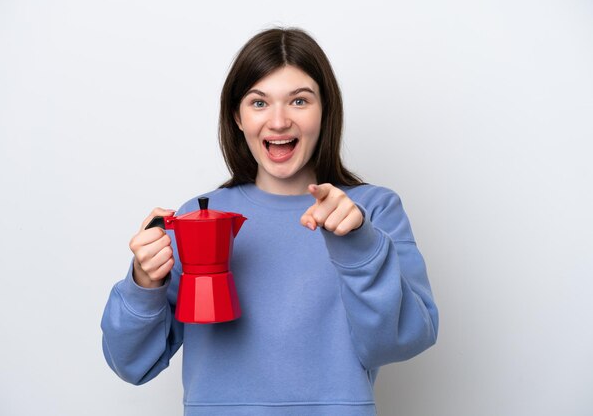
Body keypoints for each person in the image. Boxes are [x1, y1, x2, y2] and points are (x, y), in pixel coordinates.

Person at [101, 27, 438, 416]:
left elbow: (403, 341)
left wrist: (358, 242)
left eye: (299, 100)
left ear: (325, 111)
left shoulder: (374, 210)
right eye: (258, 103)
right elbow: (131, 363)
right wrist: (144, 284)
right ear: (238, 117)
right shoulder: (196, 218)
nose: (278, 122)